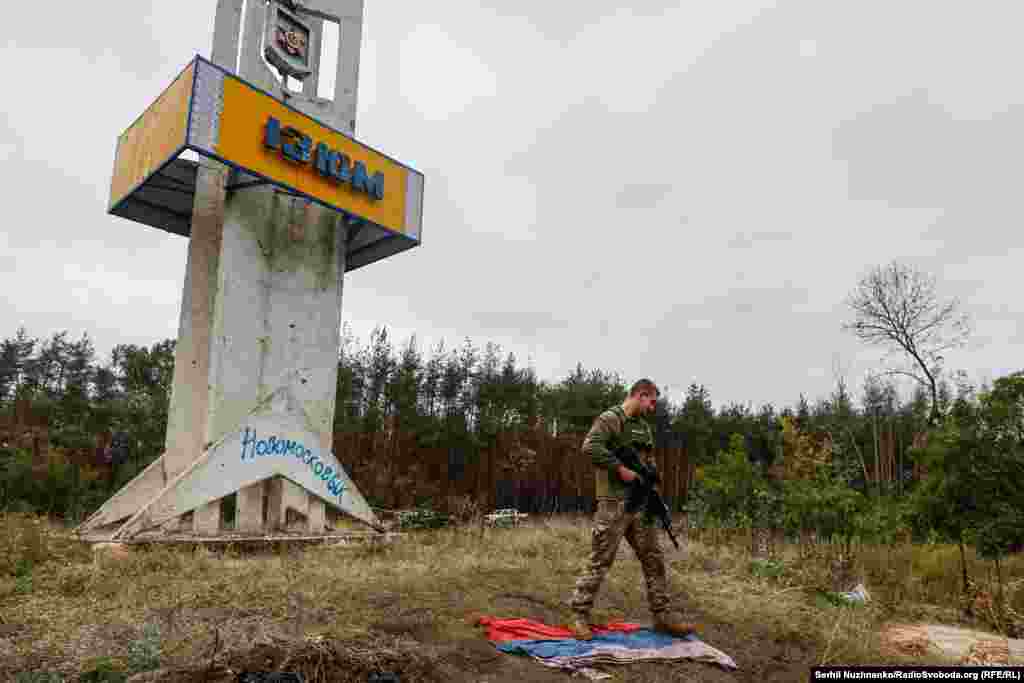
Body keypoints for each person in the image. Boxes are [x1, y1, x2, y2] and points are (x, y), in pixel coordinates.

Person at [567, 378, 698, 640]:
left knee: (654, 559)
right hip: (614, 503)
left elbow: (647, 464)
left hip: (640, 502)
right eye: (650, 401)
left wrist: (652, 484)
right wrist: (620, 469)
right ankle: (578, 615)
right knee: (600, 559)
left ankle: (662, 616)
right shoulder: (611, 419)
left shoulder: (643, 429)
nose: (652, 408)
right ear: (640, 394)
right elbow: (590, 446)